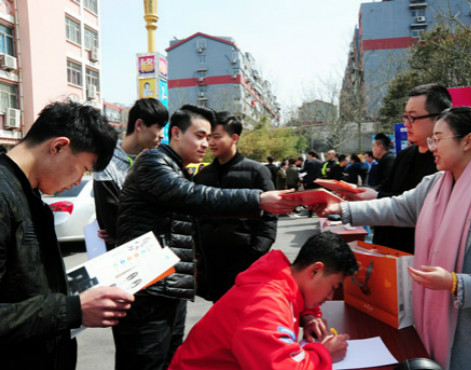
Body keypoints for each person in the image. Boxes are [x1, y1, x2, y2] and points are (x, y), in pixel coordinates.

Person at [313, 107, 471, 370]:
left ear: (468, 141)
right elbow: (395, 207)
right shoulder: (434, 185)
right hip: (430, 327)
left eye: (438, 138)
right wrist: (341, 210)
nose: (431, 147)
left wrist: (456, 283)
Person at [115, 105, 297, 370]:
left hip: (170, 284)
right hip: (148, 289)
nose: (206, 144)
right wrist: (256, 198)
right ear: (175, 133)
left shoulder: (178, 169)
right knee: (147, 361)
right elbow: (196, 196)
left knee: (170, 359)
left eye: (210, 137)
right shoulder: (153, 163)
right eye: (200, 136)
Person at [0, 102, 134, 370]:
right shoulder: (4, 195)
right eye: (84, 168)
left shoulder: (29, 194)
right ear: (58, 146)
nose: (78, 182)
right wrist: (72, 309)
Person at [168, 232, 358, 370]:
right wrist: (324, 354)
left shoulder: (280, 279)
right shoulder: (267, 304)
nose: (331, 297)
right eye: (333, 287)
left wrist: (307, 315)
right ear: (315, 271)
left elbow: (298, 299)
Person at [337, 84, 452, 254]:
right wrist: (362, 194)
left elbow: (414, 206)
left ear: (440, 118)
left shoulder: (446, 162)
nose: (406, 124)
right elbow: (387, 190)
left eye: (412, 118)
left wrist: (375, 196)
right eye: (405, 117)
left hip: (419, 253)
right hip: (387, 247)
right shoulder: (405, 155)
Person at [194, 111, 277, 303]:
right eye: (208, 138)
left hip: (245, 261)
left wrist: (255, 253)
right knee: (219, 318)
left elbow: (270, 218)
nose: (210, 143)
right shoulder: (203, 175)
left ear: (234, 138)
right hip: (212, 262)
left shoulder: (256, 171)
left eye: (216, 137)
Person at [93, 98, 168, 250]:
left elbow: (165, 214)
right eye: (159, 127)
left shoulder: (154, 161)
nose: (162, 135)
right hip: (123, 256)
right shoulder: (106, 162)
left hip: (152, 251)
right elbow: (113, 223)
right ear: (139, 125)